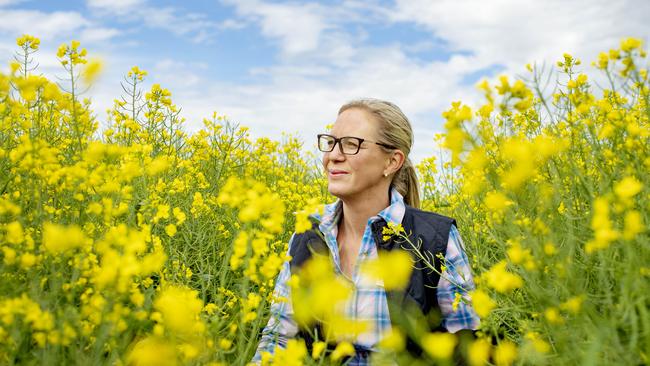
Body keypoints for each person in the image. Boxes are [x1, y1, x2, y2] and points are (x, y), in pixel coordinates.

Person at [253, 98, 480, 364]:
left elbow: (466, 344)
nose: (333, 156)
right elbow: (279, 338)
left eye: (351, 144)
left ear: (392, 162)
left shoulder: (436, 239)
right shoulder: (307, 234)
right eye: (331, 142)